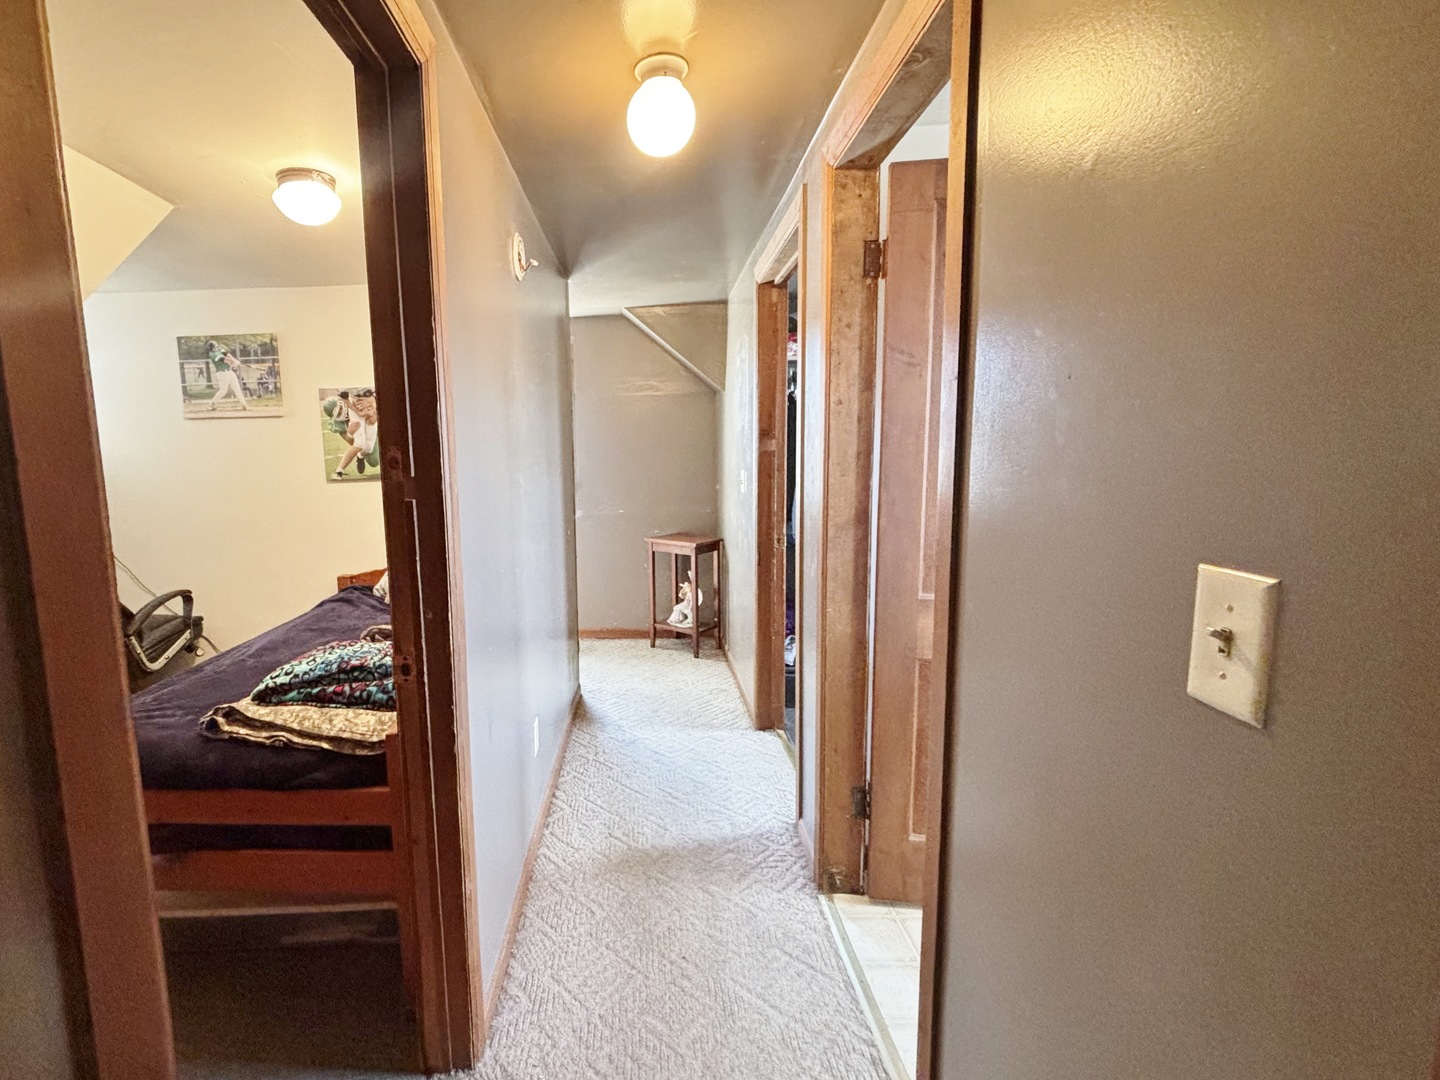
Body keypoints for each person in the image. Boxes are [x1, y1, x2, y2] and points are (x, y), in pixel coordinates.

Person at [332, 388, 379, 479]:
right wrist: (357, 411)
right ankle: (339, 471)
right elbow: (345, 398)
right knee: (359, 444)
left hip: (368, 405)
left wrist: (372, 405)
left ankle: (360, 456)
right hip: (355, 407)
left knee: (369, 447)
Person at [204, 340, 251, 411]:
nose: (216, 348)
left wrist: (234, 360)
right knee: (223, 390)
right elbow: (224, 359)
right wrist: (233, 362)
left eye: (216, 346)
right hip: (222, 373)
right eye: (214, 347)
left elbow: (227, 354)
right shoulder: (212, 354)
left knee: (237, 388)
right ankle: (211, 404)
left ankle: (244, 405)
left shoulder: (219, 349)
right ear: (211, 348)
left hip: (229, 371)